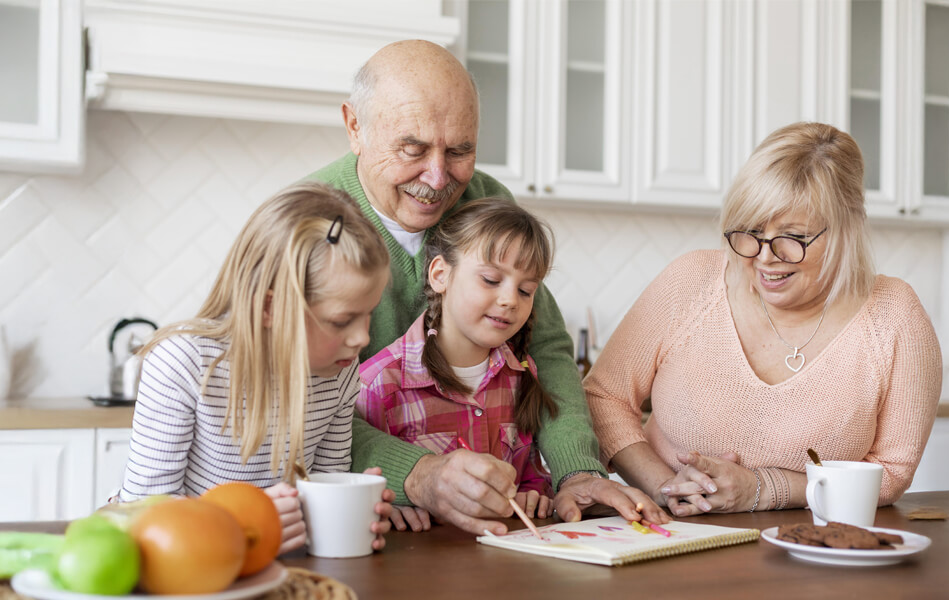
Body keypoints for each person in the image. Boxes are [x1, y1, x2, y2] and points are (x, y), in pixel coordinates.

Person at [304, 39, 665, 535]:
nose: (437, 177)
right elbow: (297, 406)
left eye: (460, 150)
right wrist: (415, 474)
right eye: (412, 149)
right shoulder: (305, 223)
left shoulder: (486, 199)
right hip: (370, 519)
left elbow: (547, 350)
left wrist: (576, 469)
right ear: (354, 127)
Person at [585, 122, 943, 516]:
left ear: (848, 227)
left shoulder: (894, 316)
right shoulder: (692, 282)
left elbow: (891, 471)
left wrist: (764, 489)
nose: (764, 256)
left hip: (813, 550)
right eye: (751, 229)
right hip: (669, 528)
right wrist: (666, 487)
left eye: (793, 235)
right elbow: (604, 396)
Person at [117, 182, 397, 554]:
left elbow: (316, 490)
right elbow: (141, 513)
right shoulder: (183, 363)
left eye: (369, 314)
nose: (361, 337)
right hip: (189, 571)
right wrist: (246, 523)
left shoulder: (339, 370)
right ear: (270, 308)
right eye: (341, 320)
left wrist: (348, 512)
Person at [358, 198, 560, 525]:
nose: (510, 300)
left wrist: (532, 492)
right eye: (491, 280)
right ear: (440, 275)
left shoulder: (522, 375)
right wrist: (388, 504)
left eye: (525, 290)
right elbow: (354, 484)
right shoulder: (380, 383)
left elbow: (529, 474)